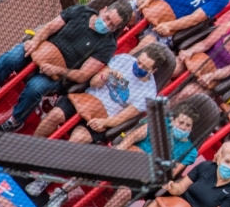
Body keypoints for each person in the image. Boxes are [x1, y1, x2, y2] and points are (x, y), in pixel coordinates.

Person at [0, 0, 132, 132]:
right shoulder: (81, 11)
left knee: (35, 88)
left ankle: (16, 120)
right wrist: (35, 42)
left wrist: (58, 70)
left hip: (59, 71)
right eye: (107, 18)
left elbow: (83, 74)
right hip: (43, 48)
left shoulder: (108, 46)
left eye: (112, 25)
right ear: (103, 10)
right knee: (10, 59)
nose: (107, 24)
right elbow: (49, 27)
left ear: (117, 28)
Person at [68, 102, 201, 207]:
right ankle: (62, 193)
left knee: (124, 193)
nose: (183, 127)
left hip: (146, 175)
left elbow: (171, 173)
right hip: (129, 157)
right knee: (97, 163)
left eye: (188, 125)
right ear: (173, 120)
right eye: (181, 122)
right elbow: (133, 136)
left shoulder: (190, 151)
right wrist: (120, 149)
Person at [32, 42, 170, 145]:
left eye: (145, 67)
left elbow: (123, 117)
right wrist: (107, 75)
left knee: (76, 140)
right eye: (139, 62)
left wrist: (104, 122)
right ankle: (28, 150)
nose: (139, 67)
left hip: (105, 116)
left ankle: (44, 176)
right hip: (87, 98)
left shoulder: (149, 92)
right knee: (54, 115)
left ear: (153, 70)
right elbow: (93, 83)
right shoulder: (124, 60)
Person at [171, 5, 230, 101]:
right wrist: (189, 51)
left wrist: (211, 76)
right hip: (200, 59)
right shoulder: (229, 26)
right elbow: (205, 44)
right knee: (172, 67)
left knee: (185, 94)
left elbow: (229, 70)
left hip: (216, 75)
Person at [134, 0, 230, 50]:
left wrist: (169, 26)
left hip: (170, 23)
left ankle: (120, 66)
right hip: (152, 5)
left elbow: (195, 18)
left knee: (147, 44)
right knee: (122, 14)